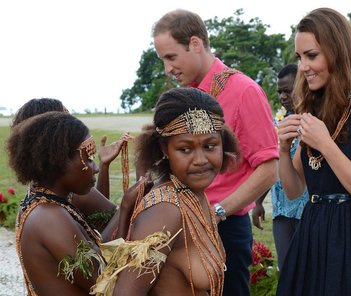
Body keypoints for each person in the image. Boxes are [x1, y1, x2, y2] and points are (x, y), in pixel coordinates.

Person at [152, 9, 279, 295]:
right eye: (163, 60)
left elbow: (269, 168)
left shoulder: (244, 90)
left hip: (223, 226)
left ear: (195, 44)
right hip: (181, 222)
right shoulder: (183, 99)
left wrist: (217, 212)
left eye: (171, 57)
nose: (168, 69)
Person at [275, 8, 351, 295]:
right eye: (299, 57)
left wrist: (326, 145)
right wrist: (281, 148)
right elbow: (293, 190)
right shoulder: (312, 106)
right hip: (312, 232)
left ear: (337, 51)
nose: (303, 67)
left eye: (312, 55)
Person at [92, 87, 241, 295]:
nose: (200, 161)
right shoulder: (166, 210)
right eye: (185, 149)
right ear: (164, 149)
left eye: (210, 146)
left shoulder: (193, 193)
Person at [7, 111, 146, 295]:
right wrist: (126, 207)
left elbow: (98, 254)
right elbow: (106, 283)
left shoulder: (53, 205)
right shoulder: (50, 218)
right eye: (88, 159)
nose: (95, 167)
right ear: (59, 162)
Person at [11, 98, 130, 229]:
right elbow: (112, 226)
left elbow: (98, 214)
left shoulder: (39, 189)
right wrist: (127, 203)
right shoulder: (63, 191)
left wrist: (104, 165)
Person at [251, 64, 309, 272]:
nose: (283, 96)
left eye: (288, 90)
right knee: (287, 271)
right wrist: (258, 202)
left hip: (307, 212)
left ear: (303, 85)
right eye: (280, 92)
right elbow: (273, 164)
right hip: (282, 212)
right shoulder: (282, 122)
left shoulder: (316, 121)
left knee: (308, 271)